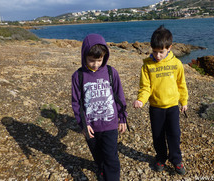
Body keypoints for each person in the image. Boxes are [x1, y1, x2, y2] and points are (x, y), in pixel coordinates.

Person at [133, 25, 188, 175]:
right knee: (157, 135)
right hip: (156, 107)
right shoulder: (147, 65)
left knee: (174, 135)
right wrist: (141, 100)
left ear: (169, 47)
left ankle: (176, 159)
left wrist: (184, 101)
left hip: (172, 107)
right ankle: (161, 158)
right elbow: (145, 87)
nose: (157, 55)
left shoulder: (176, 64)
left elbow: (181, 84)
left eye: (161, 52)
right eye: (155, 51)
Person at [72, 34, 127, 181]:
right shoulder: (78, 76)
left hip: (110, 124)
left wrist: (122, 118)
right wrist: (83, 124)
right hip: (91, 127)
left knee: (111, 157)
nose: (96, 64)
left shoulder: (111, 72)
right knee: (97, 155)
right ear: (84, 56)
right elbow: (76, 102)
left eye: (99, 60)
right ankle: (102, 170)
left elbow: (120, 97)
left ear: (105, 56)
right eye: (91, 60)